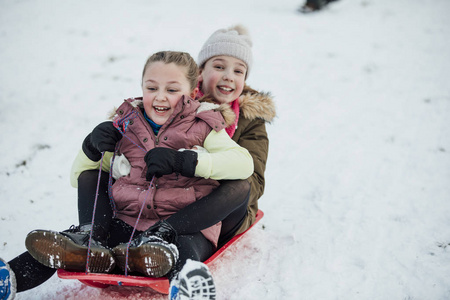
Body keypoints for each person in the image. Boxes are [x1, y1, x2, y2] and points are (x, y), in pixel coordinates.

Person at [6, 51, 254, 300]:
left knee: (197, 234)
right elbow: (80, 177)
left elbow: (244, 164)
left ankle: (185, 284)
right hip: (128, 224)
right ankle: (74, 247)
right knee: (73, 222)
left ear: (191, 94)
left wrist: (185, 161)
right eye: (152, 87)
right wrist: (90, 148)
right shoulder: (126, 125)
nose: (159, 96)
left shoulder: (204, 125)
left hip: (182, 226)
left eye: (171, 89)